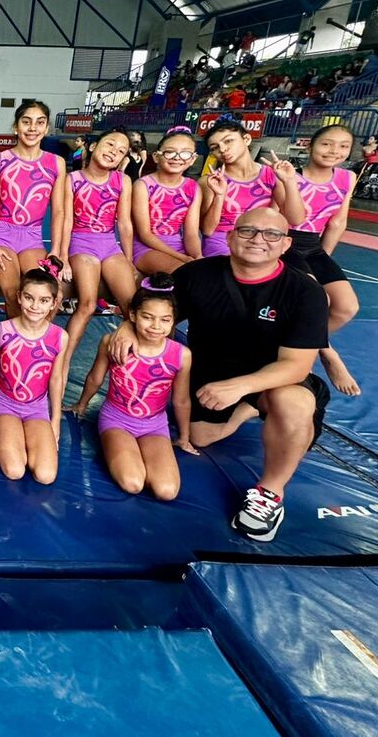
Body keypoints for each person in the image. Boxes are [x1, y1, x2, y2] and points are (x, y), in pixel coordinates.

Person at [109, 207, 330, 541]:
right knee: (198, 437)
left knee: (294, 403)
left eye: (271, 234)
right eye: (248, 231)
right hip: (211, 375)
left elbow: (297, 366)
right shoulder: (198, 275)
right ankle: (246, 411)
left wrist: (240, 386)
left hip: (272, 378)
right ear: (229, 237)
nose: (258, 240)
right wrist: (127, 325)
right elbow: (157, 311)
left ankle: (270, 493)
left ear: (286, 245)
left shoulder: (305, 292)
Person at [72, 273, 195, 501]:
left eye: (165, 320)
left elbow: (181, 399)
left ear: (173, 321)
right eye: (147, 317)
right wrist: (81, 405)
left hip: (154, 425)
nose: (156, 326)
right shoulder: (113, 342)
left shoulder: (181, 355)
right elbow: (95, 377)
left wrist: (184, 437)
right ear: (133, 315)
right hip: (116, 420)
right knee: (133, 483)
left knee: (166, 491)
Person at [285, 124, 361, 397]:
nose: (334, 151)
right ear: (310, 146)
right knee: (320, 300)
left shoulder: (346, 177)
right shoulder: (291, 176)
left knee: (347, 307)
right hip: (286, 242)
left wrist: (323, 259)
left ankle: (309, 345)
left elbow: (338, 221)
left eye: (343, 146)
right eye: (327, 144)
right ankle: (327, 354)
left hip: (314, 246)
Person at [0, 259, 67, 485]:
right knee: (14, 470)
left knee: (46, 476)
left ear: (54, 303)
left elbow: (56, 379)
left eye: (43, 300)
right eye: (29, 298)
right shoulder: (1, 331)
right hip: (6, 405)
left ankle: (30, 434)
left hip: (37, 408)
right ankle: (8, 432)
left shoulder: (59, 337)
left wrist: (55, 419)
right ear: (19, 296)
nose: (35, 306)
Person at [63, 128, 136, 362]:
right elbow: (66, 221)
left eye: (121, 151)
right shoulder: (72, 179)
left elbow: (124, 223)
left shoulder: (122, 181)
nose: (114, 152)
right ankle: (62, 362)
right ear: (93, 146)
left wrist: (129, 259)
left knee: (132, 308)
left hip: (109, 245)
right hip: (82, 244)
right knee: (87, 304)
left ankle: (136, 363)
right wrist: (63, 257)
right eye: (110, 144)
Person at [0, 100, 67, 320]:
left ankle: (34, 342)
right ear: (16, 126)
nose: (32, 128)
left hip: (32, 238)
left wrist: (56, 250)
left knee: (51, 293)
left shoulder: (56, 163)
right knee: (13, 293)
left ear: (46, 128)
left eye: (39, 122)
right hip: (2, 235)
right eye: (26, 122)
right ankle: (15, 343)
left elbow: (59, 211)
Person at [200, 119, 302, 257]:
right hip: (223, 242)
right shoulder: (210, 181)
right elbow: (207, 230)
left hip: (261, 241)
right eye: (215, 147)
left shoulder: (271, 175)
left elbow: (296, 219)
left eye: (228, 141)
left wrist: (289, 181)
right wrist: (219, 196)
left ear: (246, 139)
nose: (223, 149)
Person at [132, 126, 203, 275]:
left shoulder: (193, 187)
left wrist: (197, 257)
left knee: (203, 274)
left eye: (185, 153)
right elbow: (144, 234)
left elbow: (191, 233)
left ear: (193, 159)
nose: (177, 157)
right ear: (156, 156)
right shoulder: (143, 185)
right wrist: (182, 257)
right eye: (170, 152)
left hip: (178, 246)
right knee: (183, 273)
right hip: (146, 247)